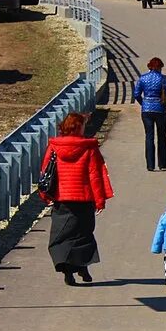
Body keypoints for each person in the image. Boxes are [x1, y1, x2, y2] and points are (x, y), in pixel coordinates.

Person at [39, 112, 114, 286]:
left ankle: (68, 272)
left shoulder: (54, 147)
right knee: (83, 234)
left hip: (62, 198)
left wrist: (45, 194)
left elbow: (46, 172)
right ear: (79, 127)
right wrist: (99, 199)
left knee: (62, 235)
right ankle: (83, 266)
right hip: (84, 198)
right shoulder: (89, 147)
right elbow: (94, 175)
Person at [133, 56, 166, 170]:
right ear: (160, 67)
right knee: (161, 136)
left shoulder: (143, 78)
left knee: (149, 136)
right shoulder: (163, 78)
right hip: (160, 109)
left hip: (146, 110)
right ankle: (162, 164)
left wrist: (143, 103)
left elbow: (136, 94)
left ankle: (150, 165)